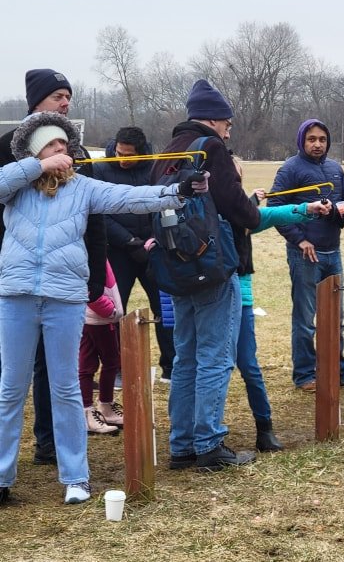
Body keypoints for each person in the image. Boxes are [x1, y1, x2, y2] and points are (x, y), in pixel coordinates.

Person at [0, 111, 198, 505]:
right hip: (16, 296)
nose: (63, 152)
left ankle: (75, 477)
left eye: (64, 146)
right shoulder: (16, 185)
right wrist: (36, 165)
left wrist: (179, 192)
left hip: (66, 299)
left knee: (67, 388)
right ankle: (2, 477)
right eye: (53, 146)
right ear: (37, 153)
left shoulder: (84, 187)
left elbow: (130, 198)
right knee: (9, 390)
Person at [151, 79, 263, 472]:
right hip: (213, 267)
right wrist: (255, 214)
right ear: (214, 120)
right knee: (216, 356)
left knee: (185, 357)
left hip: (177, 266)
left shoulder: (167, 151)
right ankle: (210, 444)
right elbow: (232, 202)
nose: (229, 130)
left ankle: (181, 445)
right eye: (227, 123)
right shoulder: (210, 147)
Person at [0, 68, 107, 466]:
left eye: (69, 97)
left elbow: (96, 218)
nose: (65, 103)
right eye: (58, 96)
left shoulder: (79, 160)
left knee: (57, 373)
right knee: (11, 378)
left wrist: (96, 274)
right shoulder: (5, 151)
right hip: (12, 281)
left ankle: (50, 443)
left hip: (61, 282)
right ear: (37, 104)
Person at [232, 160, 331, 452]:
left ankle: (265, 428)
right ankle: (199, 437)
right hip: (209, 298)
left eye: (237, 181)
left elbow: (267, 216)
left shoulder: (241, 213)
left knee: (249, 366)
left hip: (241, 300)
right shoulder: (206, 210)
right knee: (213, 368)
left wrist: (305, 209)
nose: (233, 186)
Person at [268, 119, 344, 392]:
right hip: (305, 256)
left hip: (334, 253)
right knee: (305, 318)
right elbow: (274, 208)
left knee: (336, 317)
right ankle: (304, 375)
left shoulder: (335, 169)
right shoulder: (290, 169)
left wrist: (337, 211)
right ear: (302, 140)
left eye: (322, 139)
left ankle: (339, 372)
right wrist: (299, 240)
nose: (317, 144)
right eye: (312, 139)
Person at [95, 126, 176, 383]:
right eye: (119, 153)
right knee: (116, 311)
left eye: (129, 154)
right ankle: (118, 368)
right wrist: (129, 241)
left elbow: (162, 205)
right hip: (118, 251)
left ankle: (171, 367)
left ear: (141, 152)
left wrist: (152, 241)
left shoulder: (154, 168)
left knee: (164, 308)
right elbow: (100, 214)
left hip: (152, 250)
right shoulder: (101, 170)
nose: (123, 159)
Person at [78, 260, 125, 434]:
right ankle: (98, 406)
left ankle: (95, 407)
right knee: (109, 361)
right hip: (99, 317)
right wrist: (110, 311)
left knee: (88, 363)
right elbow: (91, 287)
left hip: (92, 315)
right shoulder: (90, 252)